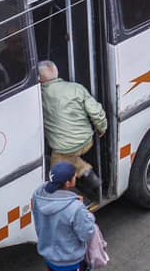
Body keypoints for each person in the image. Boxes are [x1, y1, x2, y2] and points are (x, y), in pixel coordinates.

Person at [28, 162, 104, 271]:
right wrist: (85, 212)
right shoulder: (74, 208)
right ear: (68, 183)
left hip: (50, 254)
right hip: (71, 261)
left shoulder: (38, 195)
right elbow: (87, 232)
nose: (75, 177)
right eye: (73, 176)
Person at [40, 61, 109, 199]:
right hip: (87, 141)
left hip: (65, 148)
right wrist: (102, 128)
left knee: (57, 171)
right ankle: (88, 174)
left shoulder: (38, 96)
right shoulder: (76, 88)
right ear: (57, 73)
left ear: (39, 79)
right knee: (69, 158)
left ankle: (85, 181)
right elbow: (96, 112)